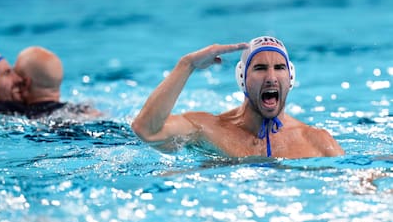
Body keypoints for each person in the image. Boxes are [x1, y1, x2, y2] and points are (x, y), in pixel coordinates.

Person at [132, 36, 345, 159]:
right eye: (260, 68)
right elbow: (147, 130)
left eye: (279, 68)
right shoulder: (207, 129)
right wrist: (187, 64)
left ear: (290, 77)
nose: (271, 77)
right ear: (242, 78)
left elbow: (355, 179)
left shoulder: (317, 142)